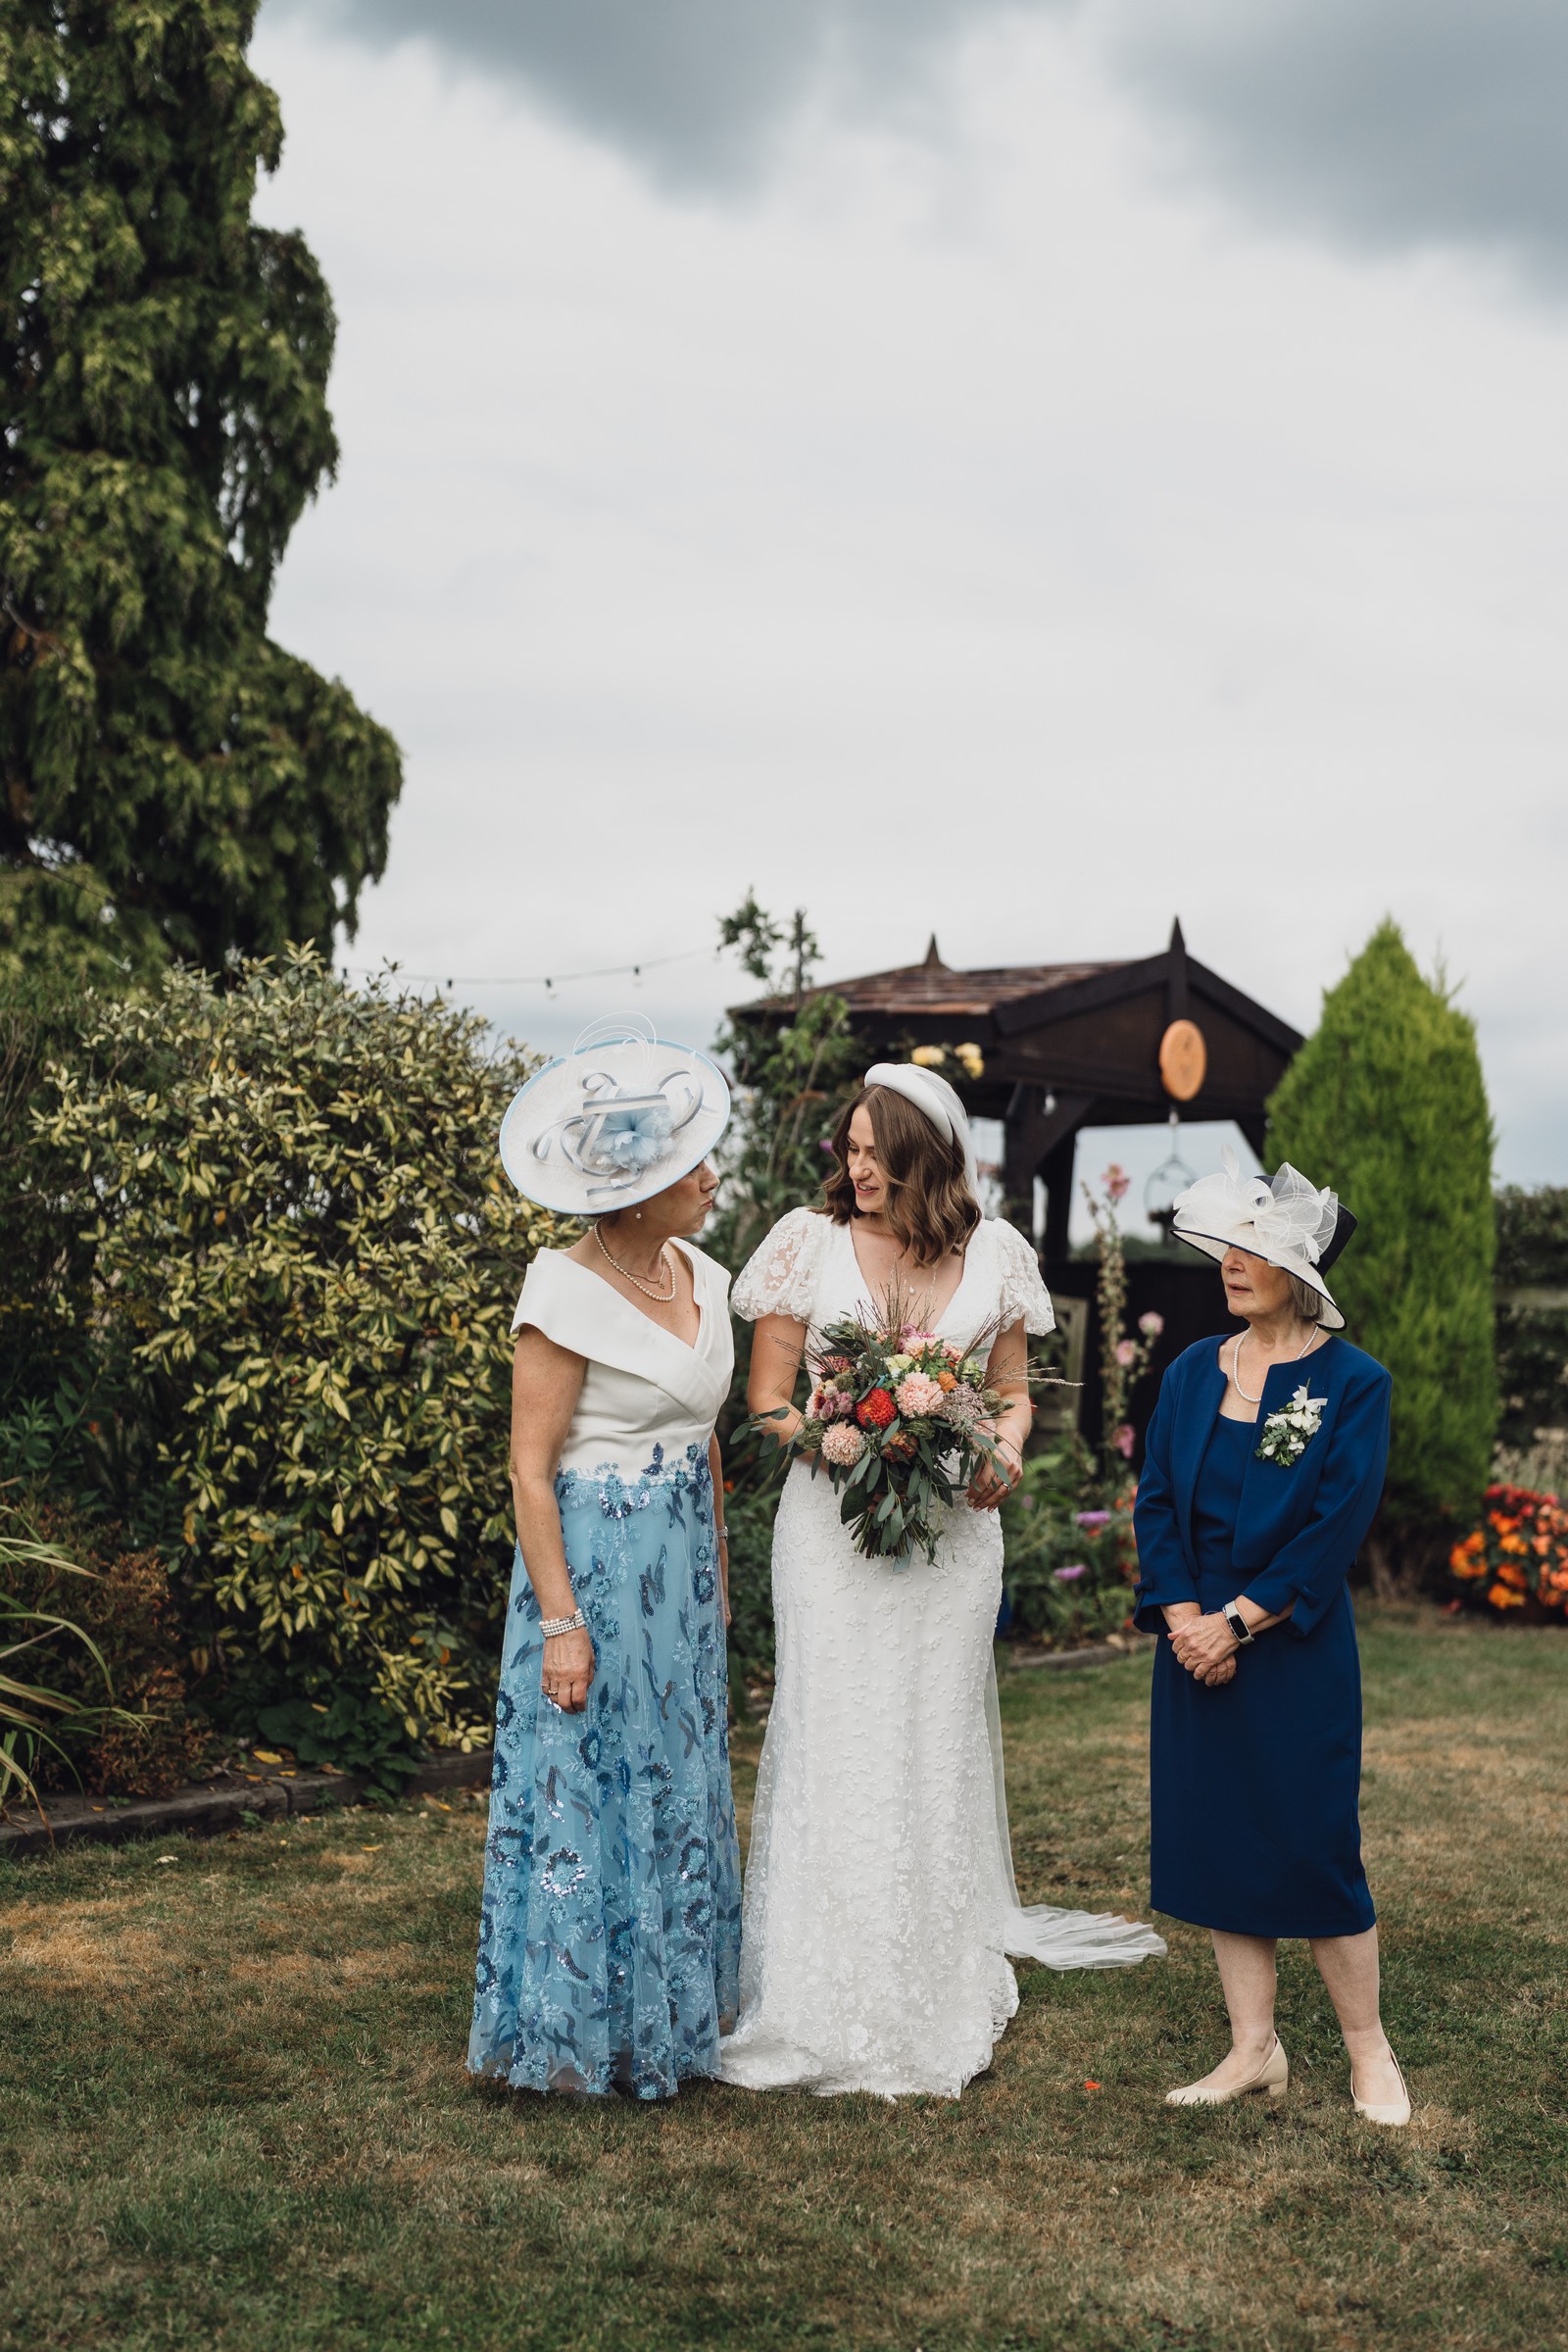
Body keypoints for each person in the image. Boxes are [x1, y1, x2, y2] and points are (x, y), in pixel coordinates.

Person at [719, 1063, 1164, 2101]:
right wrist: (832, 1437)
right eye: (850, 1147)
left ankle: (929, 1971)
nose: (854, 1164)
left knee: (930, 1734)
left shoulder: (995, 1253)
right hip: (832, 1539)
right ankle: (815, 1987)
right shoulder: (804, 1243)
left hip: (953, 1542)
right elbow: (765, 1401)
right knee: (833, 1729)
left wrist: (1000, 1456)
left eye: (875, 1150)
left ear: (924, 1155)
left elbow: (1012, 1396)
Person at [467, 1020, 742, 2100]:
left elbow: (707, 1429)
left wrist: (715, 1565)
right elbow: (530, 1471)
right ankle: (580, 2030)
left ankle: (671, 2016)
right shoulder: (562, 1294)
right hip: (590, 1565)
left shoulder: (706, 1274)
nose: (713, 1178)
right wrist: (562, 1622)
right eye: (691, 1170)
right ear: (633, 1193)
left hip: (679, 1569)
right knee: (592, 1778)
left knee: (674, 1774)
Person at [1133, 1148, 1409, 2127]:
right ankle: (1253, 2050)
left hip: (1289, 1648)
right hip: (1192, 1649)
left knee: (1311, 1843)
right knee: (1219, 1845)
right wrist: (1181, 1622)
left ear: (1302, 1271)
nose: (1229, 1261)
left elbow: (1330, 1531)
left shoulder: (1351, 1383)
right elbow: (1156, 1504)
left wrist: (1237, 1624)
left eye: (1252, 1247)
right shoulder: (1187, 1375)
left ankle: (1367, 2051)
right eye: (1225, 1246)